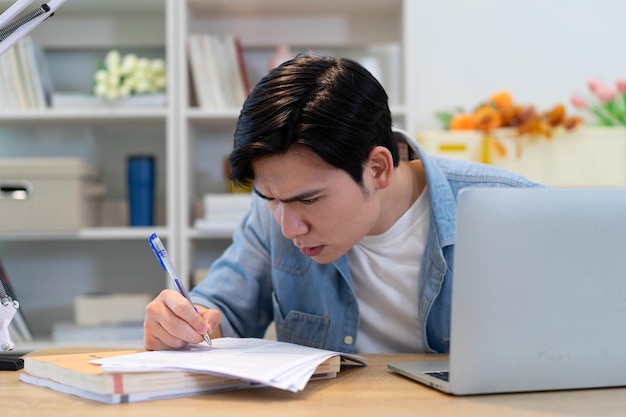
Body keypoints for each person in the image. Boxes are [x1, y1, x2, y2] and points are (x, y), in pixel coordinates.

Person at [144, 54, 541, 354]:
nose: (288, 227)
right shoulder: (279, 207)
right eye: (270, 199)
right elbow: (221, 308)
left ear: (378, 168)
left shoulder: (513, 210)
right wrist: (181, 322)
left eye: (310, 200)